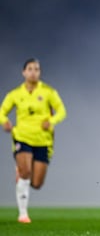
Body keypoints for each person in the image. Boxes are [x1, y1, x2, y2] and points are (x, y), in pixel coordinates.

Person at [0, 58, 66, 223]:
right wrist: (4, 122)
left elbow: (61, 111)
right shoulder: (15, 94)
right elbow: (2, 111)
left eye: (36, 69)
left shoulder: (48, 92)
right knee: (25, 172)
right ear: (23, 72)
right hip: (22, 137)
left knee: (36, 183)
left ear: (40, 72)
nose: (33, 72)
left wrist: (50, 121)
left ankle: (22, 174)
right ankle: (23, 214)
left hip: (43, 140)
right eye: (30, 69)